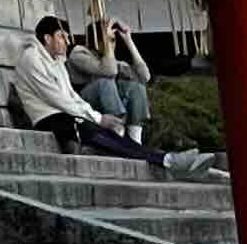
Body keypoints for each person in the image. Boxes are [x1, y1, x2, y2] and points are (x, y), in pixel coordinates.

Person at [9, 13, 167, 166]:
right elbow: (56, 98)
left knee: (133, 90)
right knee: (96, 130)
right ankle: (152, 156)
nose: (67, 42)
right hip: (48, 118)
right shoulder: (34, 58)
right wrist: (98, 118)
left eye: (67, 37)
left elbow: (144, 77)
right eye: (62, 37)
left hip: (69, 113)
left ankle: (151, 154)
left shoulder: (56, 61)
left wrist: (128, 40)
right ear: (48, 38)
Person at [77, 6, 152, 137]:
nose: (113, 44)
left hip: (108, 108)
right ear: (97, 41)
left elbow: (145, 77)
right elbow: (109, 71)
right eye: (110, 40)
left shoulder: (114, 62)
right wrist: (107, 42)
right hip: (83, 107)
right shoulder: (79, 53)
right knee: (105, 82)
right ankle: (117, 130)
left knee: (136, 87)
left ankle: (135, 139)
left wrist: (129, 41)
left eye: (113, 40)